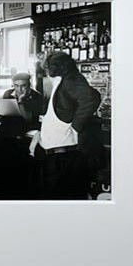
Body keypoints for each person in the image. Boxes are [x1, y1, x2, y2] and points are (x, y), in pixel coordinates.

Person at [34, 50, 102, 199]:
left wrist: (75, 127)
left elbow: (92, 99)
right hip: (56, 155)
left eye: (48, 67)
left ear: (58, 67)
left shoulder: (71, 80)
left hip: (64, 158)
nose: (46, 72)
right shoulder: (61, 82)